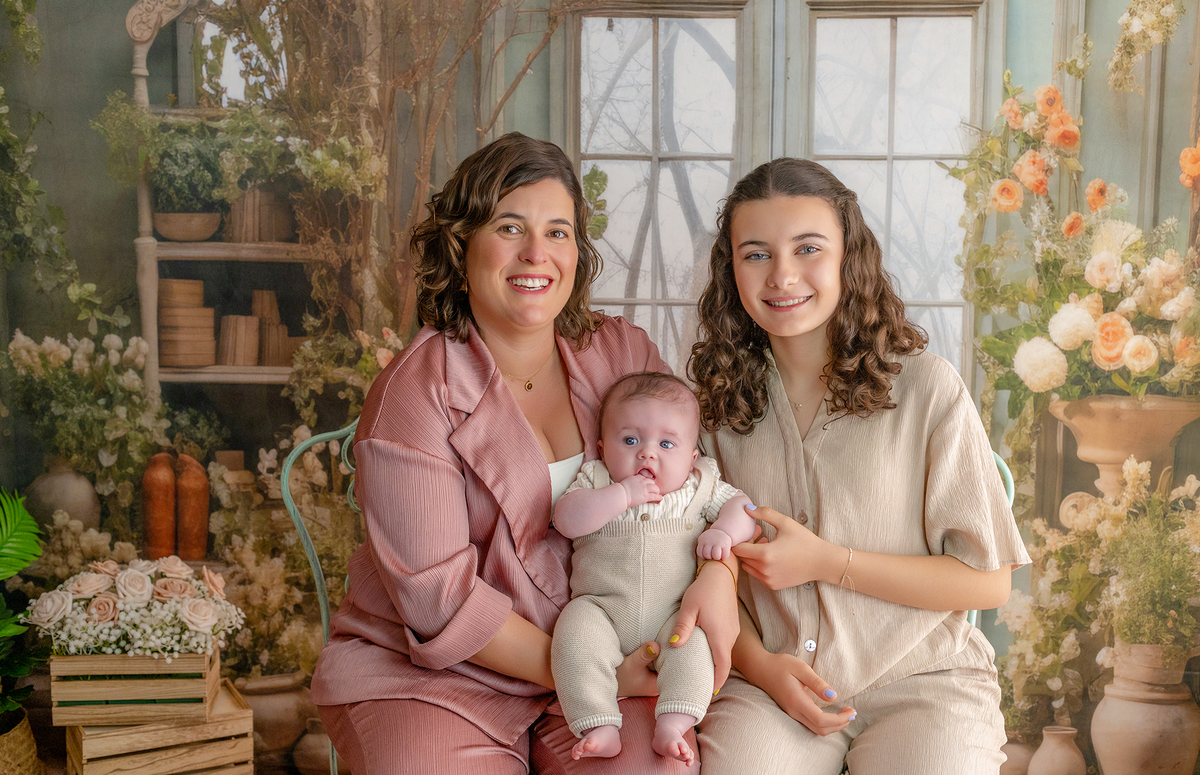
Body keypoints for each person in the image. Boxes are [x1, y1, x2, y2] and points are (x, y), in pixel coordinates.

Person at [309, 132, 739, 775]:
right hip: (436, 678)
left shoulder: (620, 355)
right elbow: (440, 600)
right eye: (510, 227)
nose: (537, 253)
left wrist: (719, 575)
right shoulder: (413, 393)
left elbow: (695, 493)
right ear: (462, 247)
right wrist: (593, 672)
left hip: (608, 660)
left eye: (558, 231)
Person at [687, 158, 1031, 775]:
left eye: (808, 248)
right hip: (770, 683)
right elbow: (704, 570)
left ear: (849, 257)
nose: (782, 276)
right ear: (731, 269)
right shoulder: (715, 405)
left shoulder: (925, 388)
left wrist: (826, 562)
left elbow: (988, 581)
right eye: (756, 254)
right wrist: (764, 668)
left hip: (924, 682)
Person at [551, 372, 756, 766]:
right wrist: (620, 495)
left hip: (673, 615)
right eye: (630, 441)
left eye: (666, 444)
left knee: (693, 648)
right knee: (573, 637)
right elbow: (566, 520)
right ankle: (598, 724)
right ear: (602, 447)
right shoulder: (596, 480)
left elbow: (744, 509)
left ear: (691, 457)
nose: (647, 454)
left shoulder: (700, 484)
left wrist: (726, 531)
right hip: (602, 609)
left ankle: (674, 724)